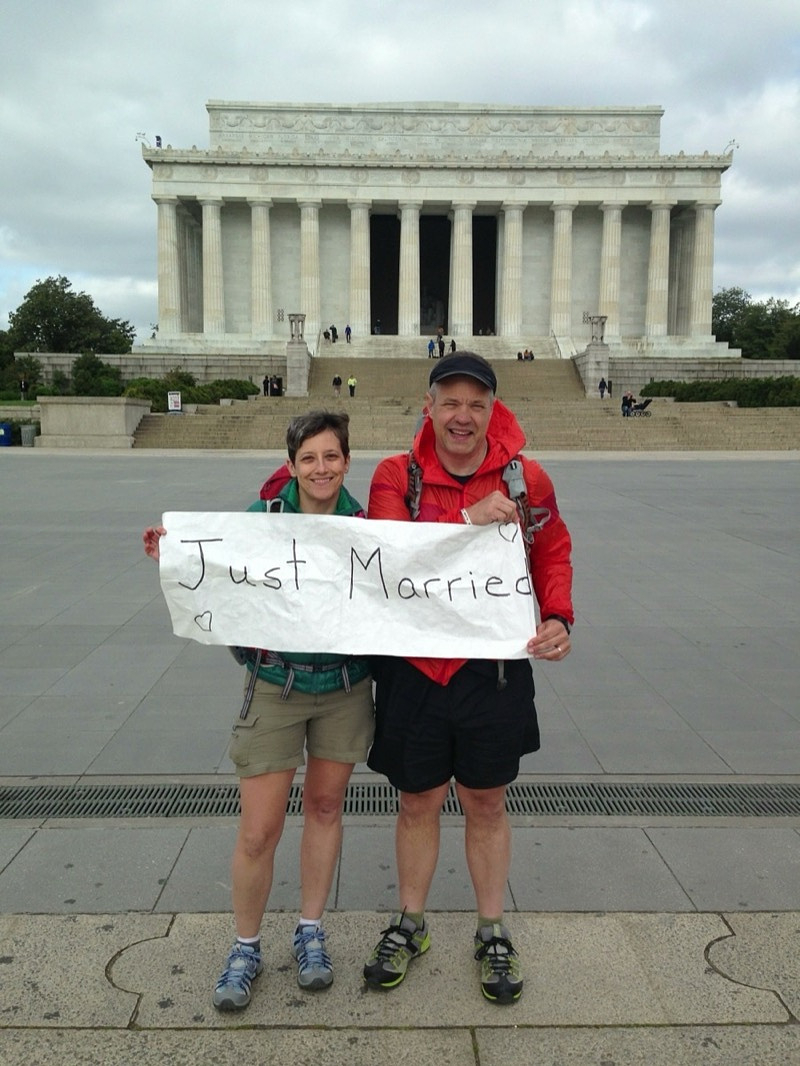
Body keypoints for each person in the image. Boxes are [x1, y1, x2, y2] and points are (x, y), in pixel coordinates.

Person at [142, 411, 374, 1010]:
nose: (321, 469)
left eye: (331, 457)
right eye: (309, 459)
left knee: (325, 808)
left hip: (346, 688)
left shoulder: (369, 527)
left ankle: (310, 931)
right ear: (292, 464)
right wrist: (176, 557)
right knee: (258, 829)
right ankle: (245, 945)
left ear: (347, 461)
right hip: (276, 686)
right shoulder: (262, 521)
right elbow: (216, 568)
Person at [362, 352, 573, 1005]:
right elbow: (388, 557)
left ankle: (491, 930)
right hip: (416, 671)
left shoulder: (525, 478)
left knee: (487, 802)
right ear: (428, 406)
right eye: (450, 402)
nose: (462, 416)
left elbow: (552, 547)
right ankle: (412, 922)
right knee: (417, 801)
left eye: (475, 404)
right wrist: (464, 519)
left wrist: (559, 616)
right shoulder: (397, 475)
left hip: (493, 670)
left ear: (492, 410)